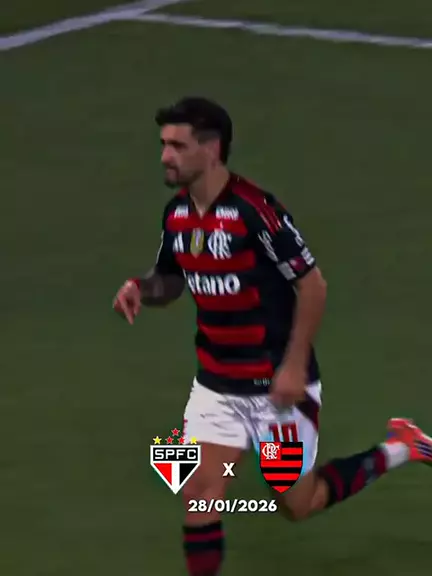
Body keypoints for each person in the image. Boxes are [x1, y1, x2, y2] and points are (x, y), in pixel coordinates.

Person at [113, 96, 432, 576]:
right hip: (216, 386)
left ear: (211, 149)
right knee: (198, 493)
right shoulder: (176, 215)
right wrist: (142, 288)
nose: (165, 156)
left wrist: (294, 365)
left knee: (297, 504)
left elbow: (312, 284)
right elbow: (171, 279)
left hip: (275, 389)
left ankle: (401, 446)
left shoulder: (255, 211)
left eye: (177, 146)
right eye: (163, 145)